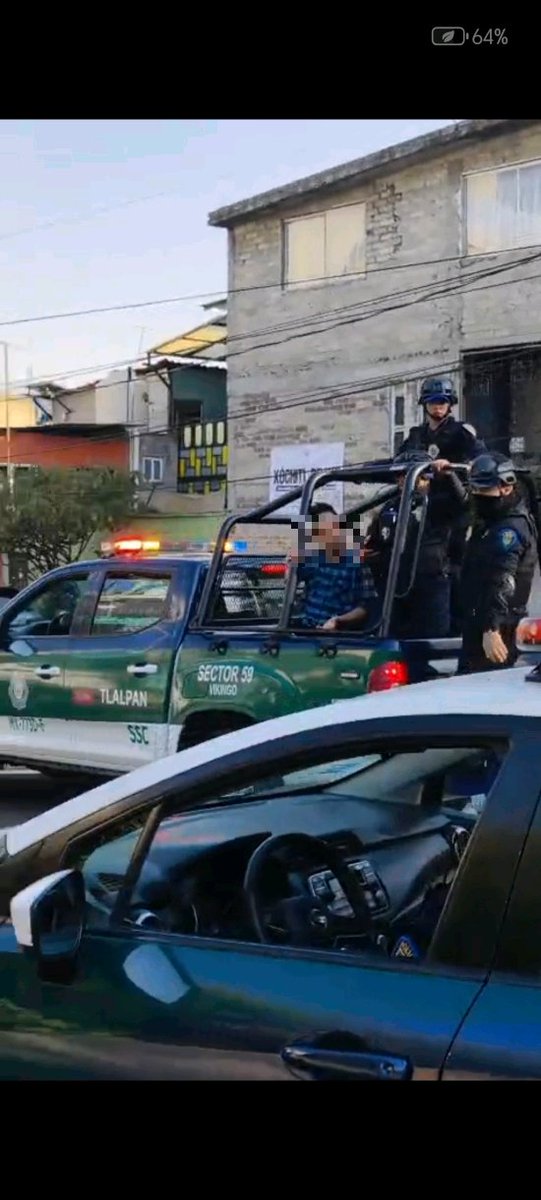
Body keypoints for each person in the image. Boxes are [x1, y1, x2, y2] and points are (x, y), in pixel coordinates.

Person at [398, 376, 487, 634]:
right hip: (426, 509)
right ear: (425, 404)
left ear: (450, 404)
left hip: (455, 508)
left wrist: (449, 468)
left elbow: (480, 459)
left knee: (453, 568)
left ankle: (455, 628)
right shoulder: (417, 435)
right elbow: (401, 458)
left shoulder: (461, 433)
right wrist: (419, 472)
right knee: (418, 565)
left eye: (443, 402)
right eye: (433, 402)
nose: (438, 407)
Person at [365, 450, 468, 639]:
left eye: (408, 476)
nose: (402, 481)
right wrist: (372, 555)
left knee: (432, 637)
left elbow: (462, 502)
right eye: (399, 476)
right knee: (395, 634)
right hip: (395, 582)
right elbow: (379, 541)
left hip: (431, 582)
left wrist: (448, 475)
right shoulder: (391, 507)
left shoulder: (440, 503)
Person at [457, 452, 538, 674]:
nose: (478, 495)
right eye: (475, 489)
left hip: (500, 629)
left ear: (506, 487)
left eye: (484, 489)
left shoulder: (509, 529)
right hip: (478, 624)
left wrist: (492, 628)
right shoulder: (490, 522)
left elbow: (503, 579)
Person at [291, 503, 379, 631]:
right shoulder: (310, 557)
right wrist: (290, 567)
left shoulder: (356, 562)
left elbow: (366, 606)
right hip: (306, 629)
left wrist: (338, 620)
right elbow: (291, 577)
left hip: (338, 635)